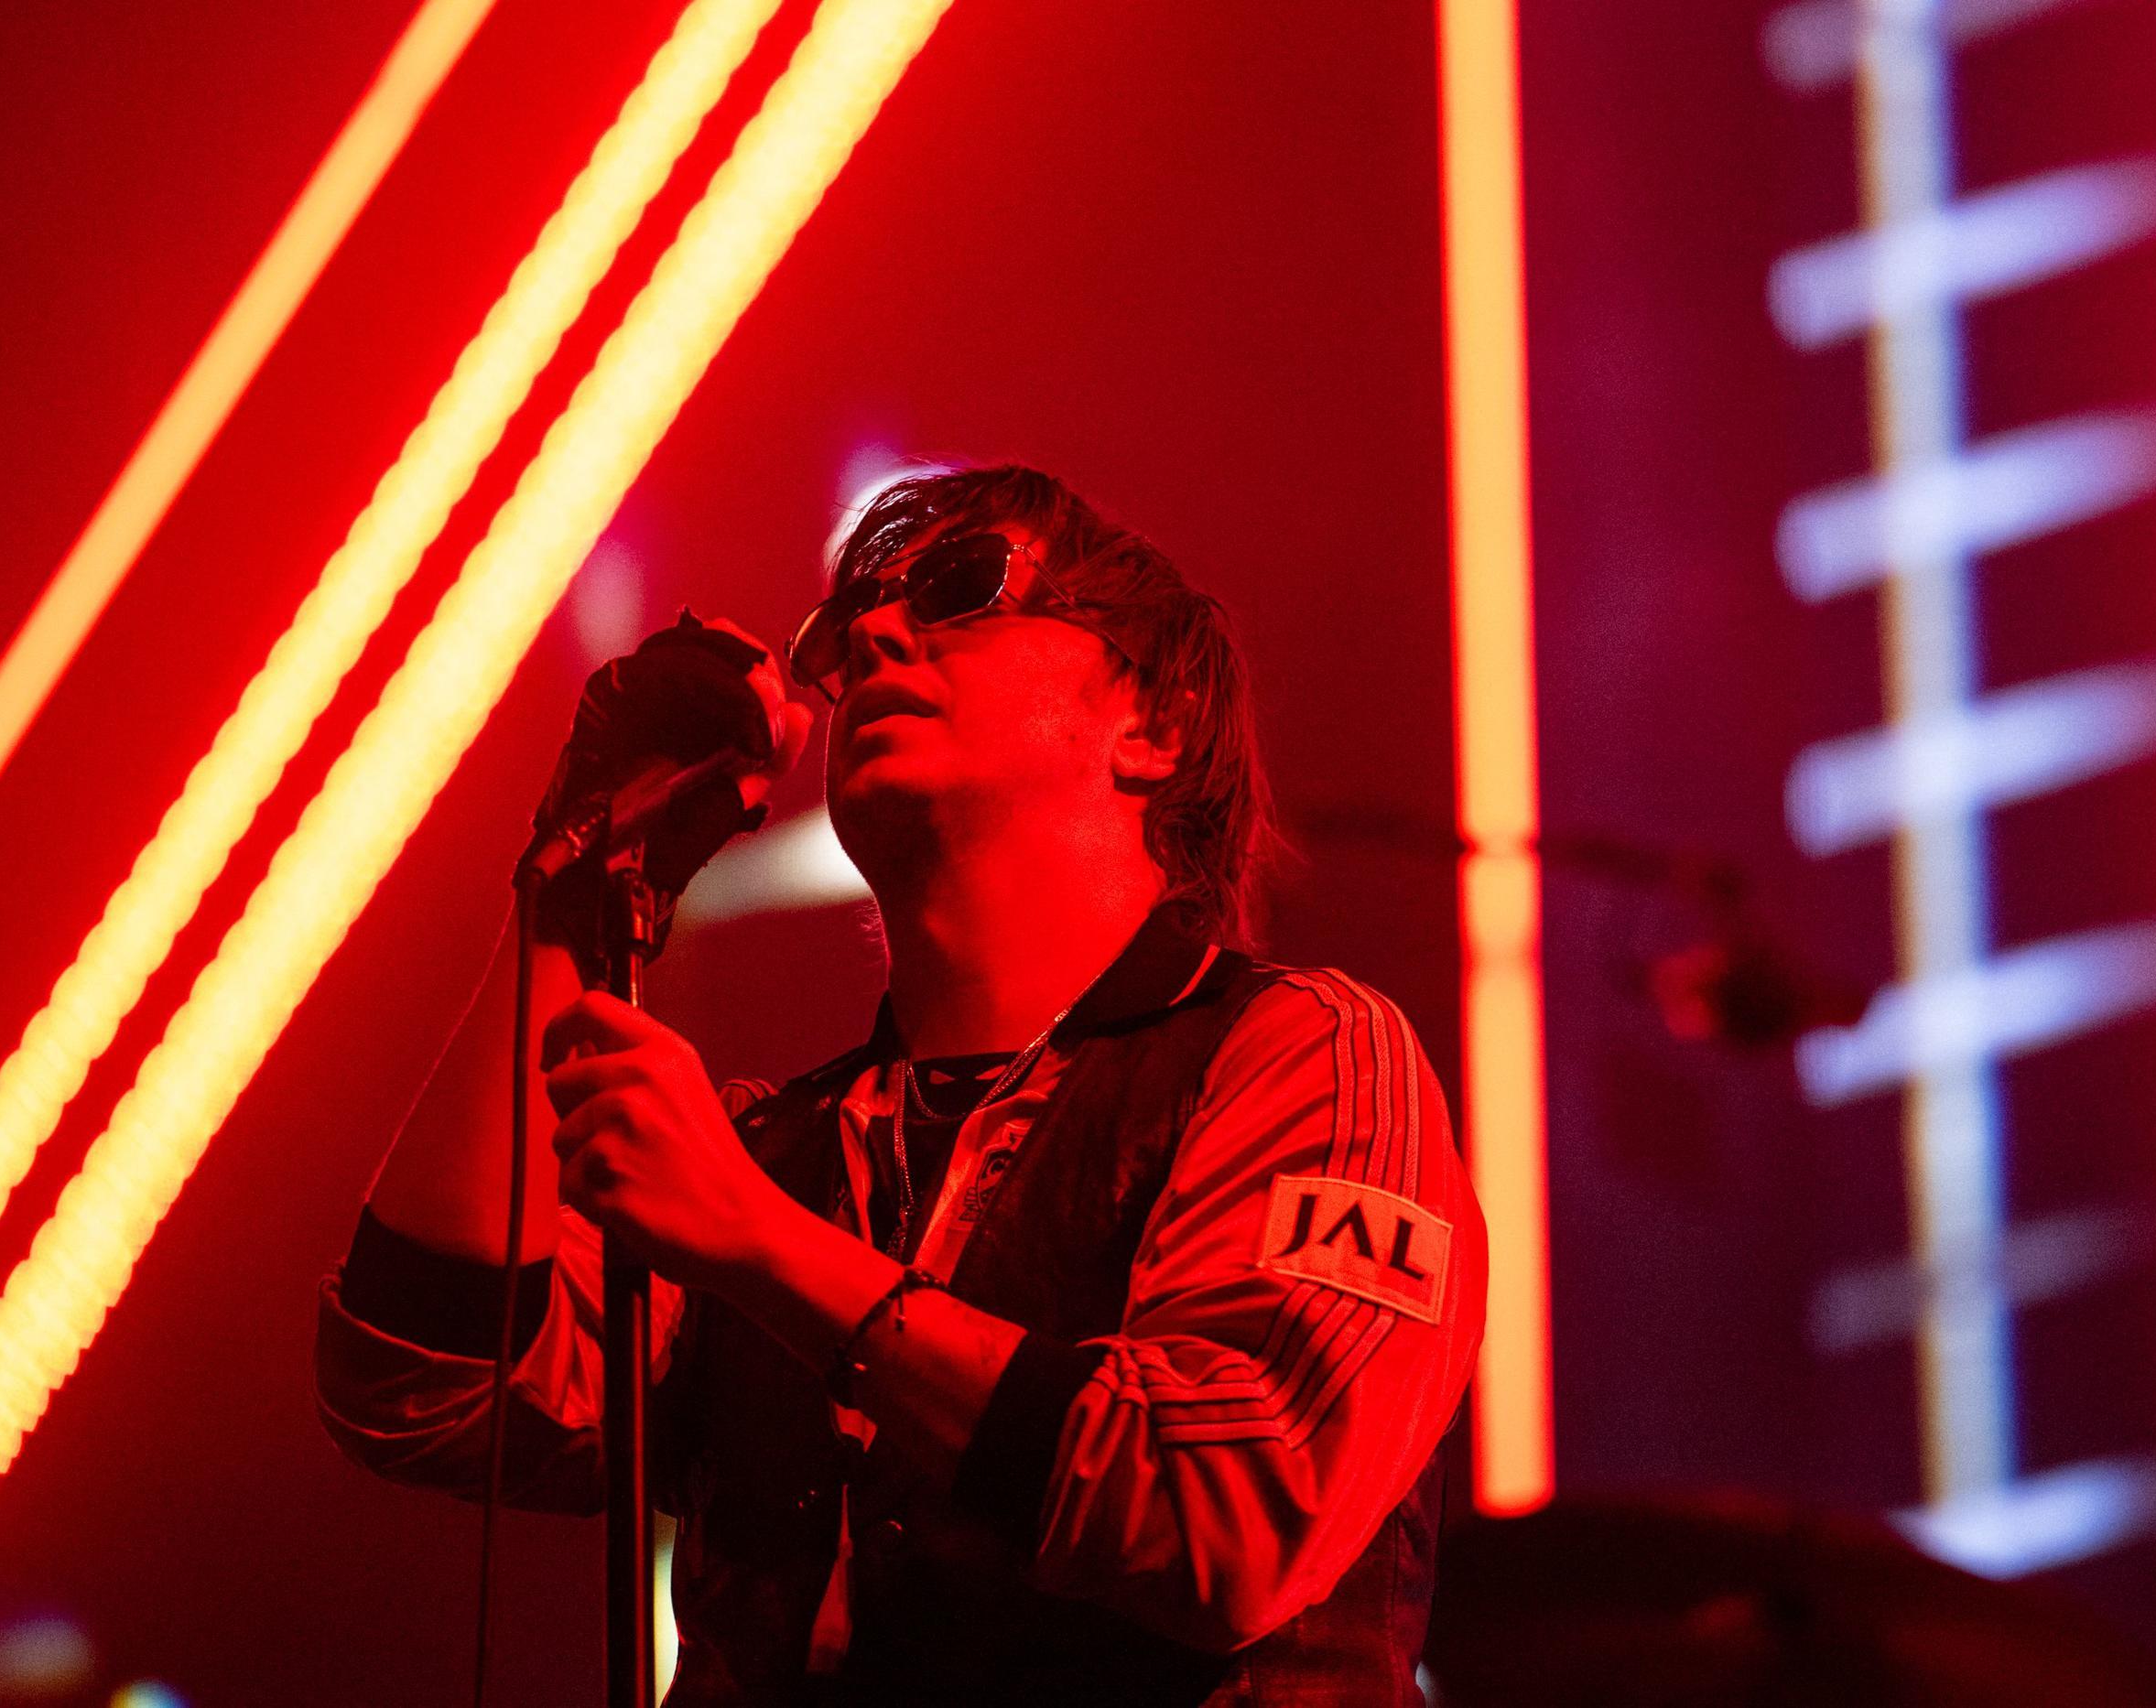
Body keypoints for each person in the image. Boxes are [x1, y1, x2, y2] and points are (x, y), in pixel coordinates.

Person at [314, 464, 1488, 1705]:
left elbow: (1226, 1510)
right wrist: (568, 882)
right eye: (845, 625)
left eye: (961, 588)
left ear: (1158, 721)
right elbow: (420, 1384)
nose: (873, 633)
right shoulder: (777, 1144)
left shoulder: (1308, 1053)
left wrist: (760, 1244)